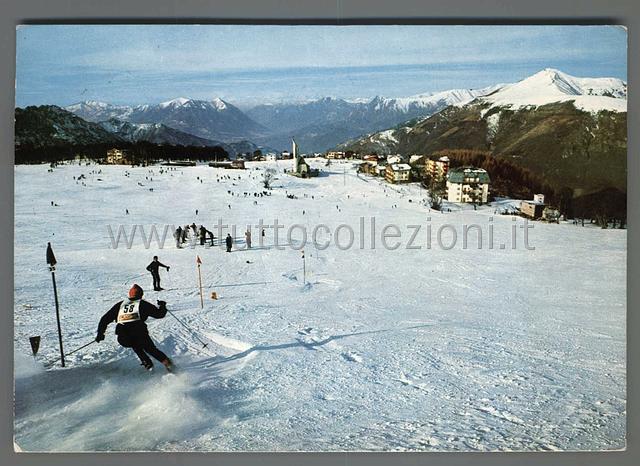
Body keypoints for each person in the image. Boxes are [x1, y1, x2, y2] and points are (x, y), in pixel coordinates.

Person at [95, 284, 173, 371]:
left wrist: (100, 334)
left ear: (130, 295)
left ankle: (147, 363)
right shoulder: (142, 304)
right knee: (150, 349)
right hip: (139, 334)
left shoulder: (120, 305)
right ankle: (168, 364)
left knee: (135, 344)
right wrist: (162, 306)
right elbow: (159, 314)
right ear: (141, 295)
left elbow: (104, 319)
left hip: (123, 338)